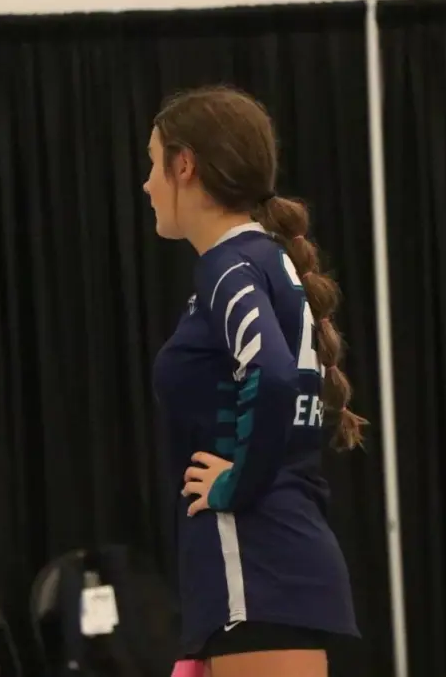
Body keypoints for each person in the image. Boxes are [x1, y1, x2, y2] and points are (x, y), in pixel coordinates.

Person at [145, 85, 368, 677]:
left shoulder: (229, 265)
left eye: (152, 164)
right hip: (267, 563)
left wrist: (233, 486)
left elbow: (271, 375)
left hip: (255, 563)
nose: (146, 184)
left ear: (184, 165)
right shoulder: (260, 260)